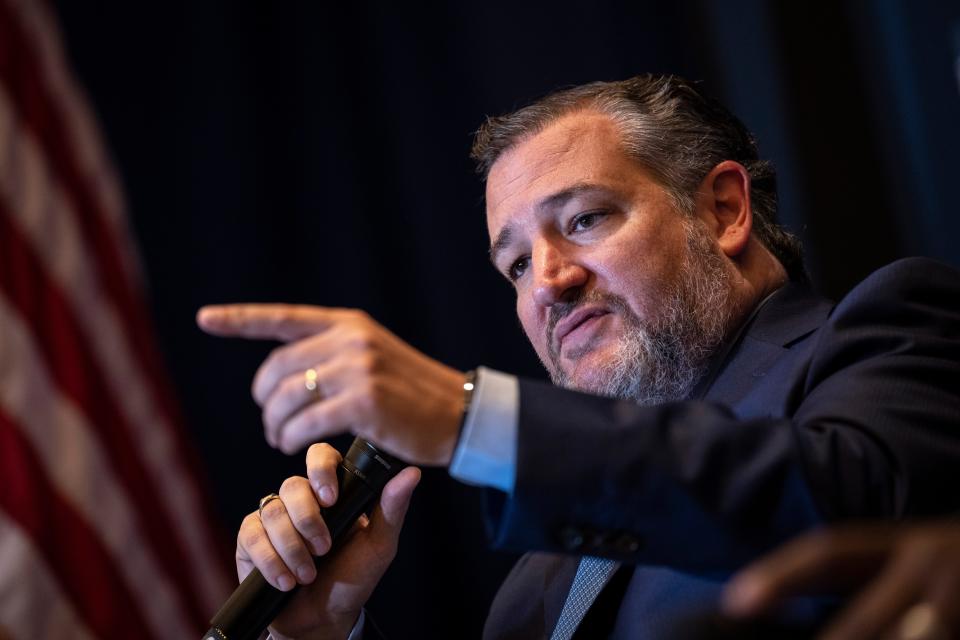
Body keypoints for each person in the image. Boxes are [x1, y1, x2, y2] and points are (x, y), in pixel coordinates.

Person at [197, 75, 960, 639]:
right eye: (518, 265)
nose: (550, 284)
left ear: (724, 210)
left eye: (585, 219)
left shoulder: (890, 331)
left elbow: (849, 509)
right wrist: (320, 632)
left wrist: (474, 420)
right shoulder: (541, 579)